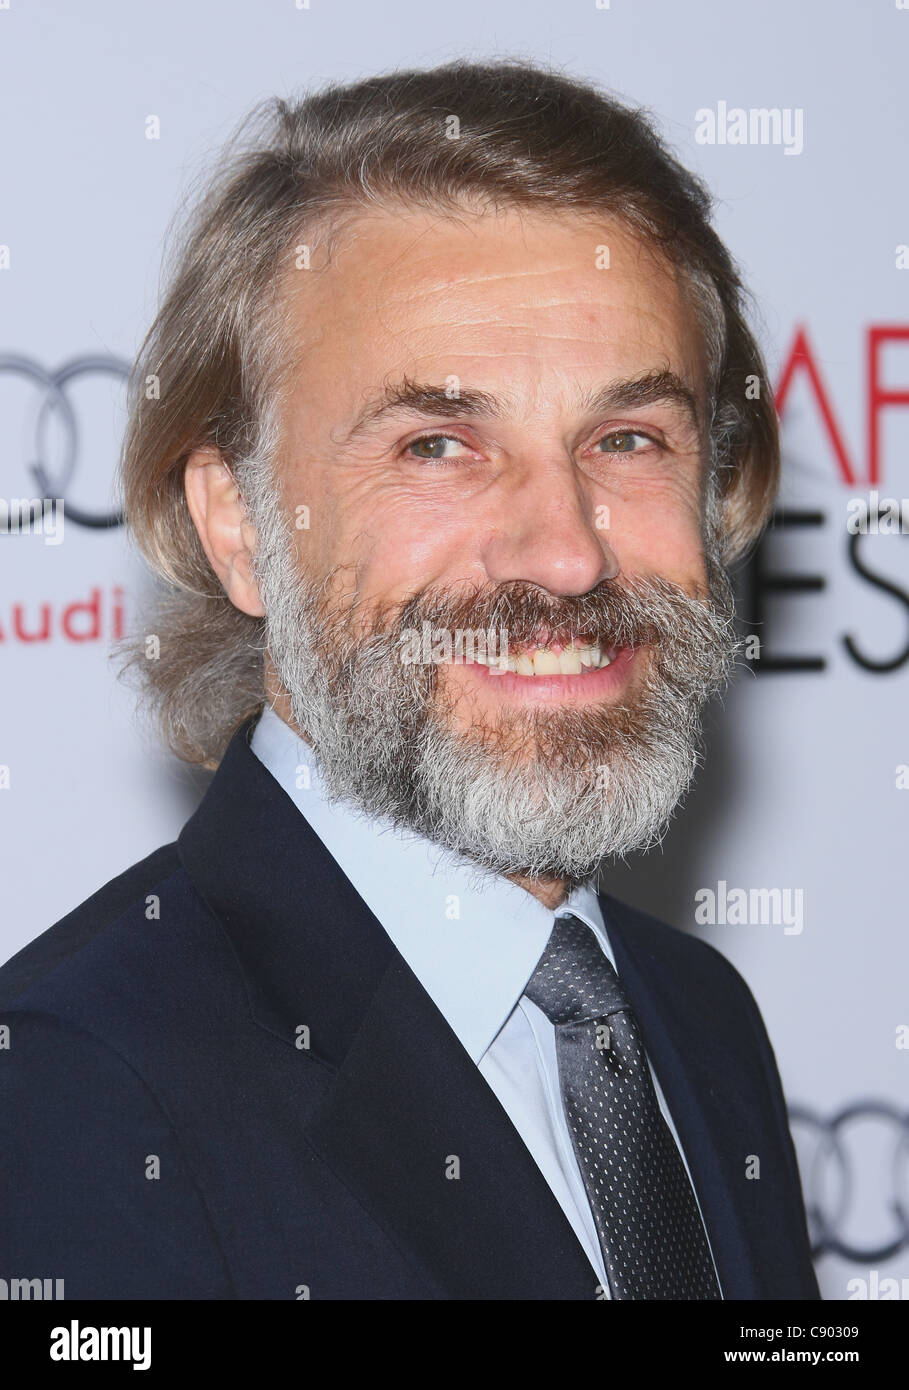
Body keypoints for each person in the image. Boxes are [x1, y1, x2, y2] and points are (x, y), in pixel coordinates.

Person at [0, 58, 819, 1300]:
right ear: (239, 526)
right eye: (439, 444)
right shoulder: (74, 1087)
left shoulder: (693, 1016)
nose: (566, 549)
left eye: (627, 439)